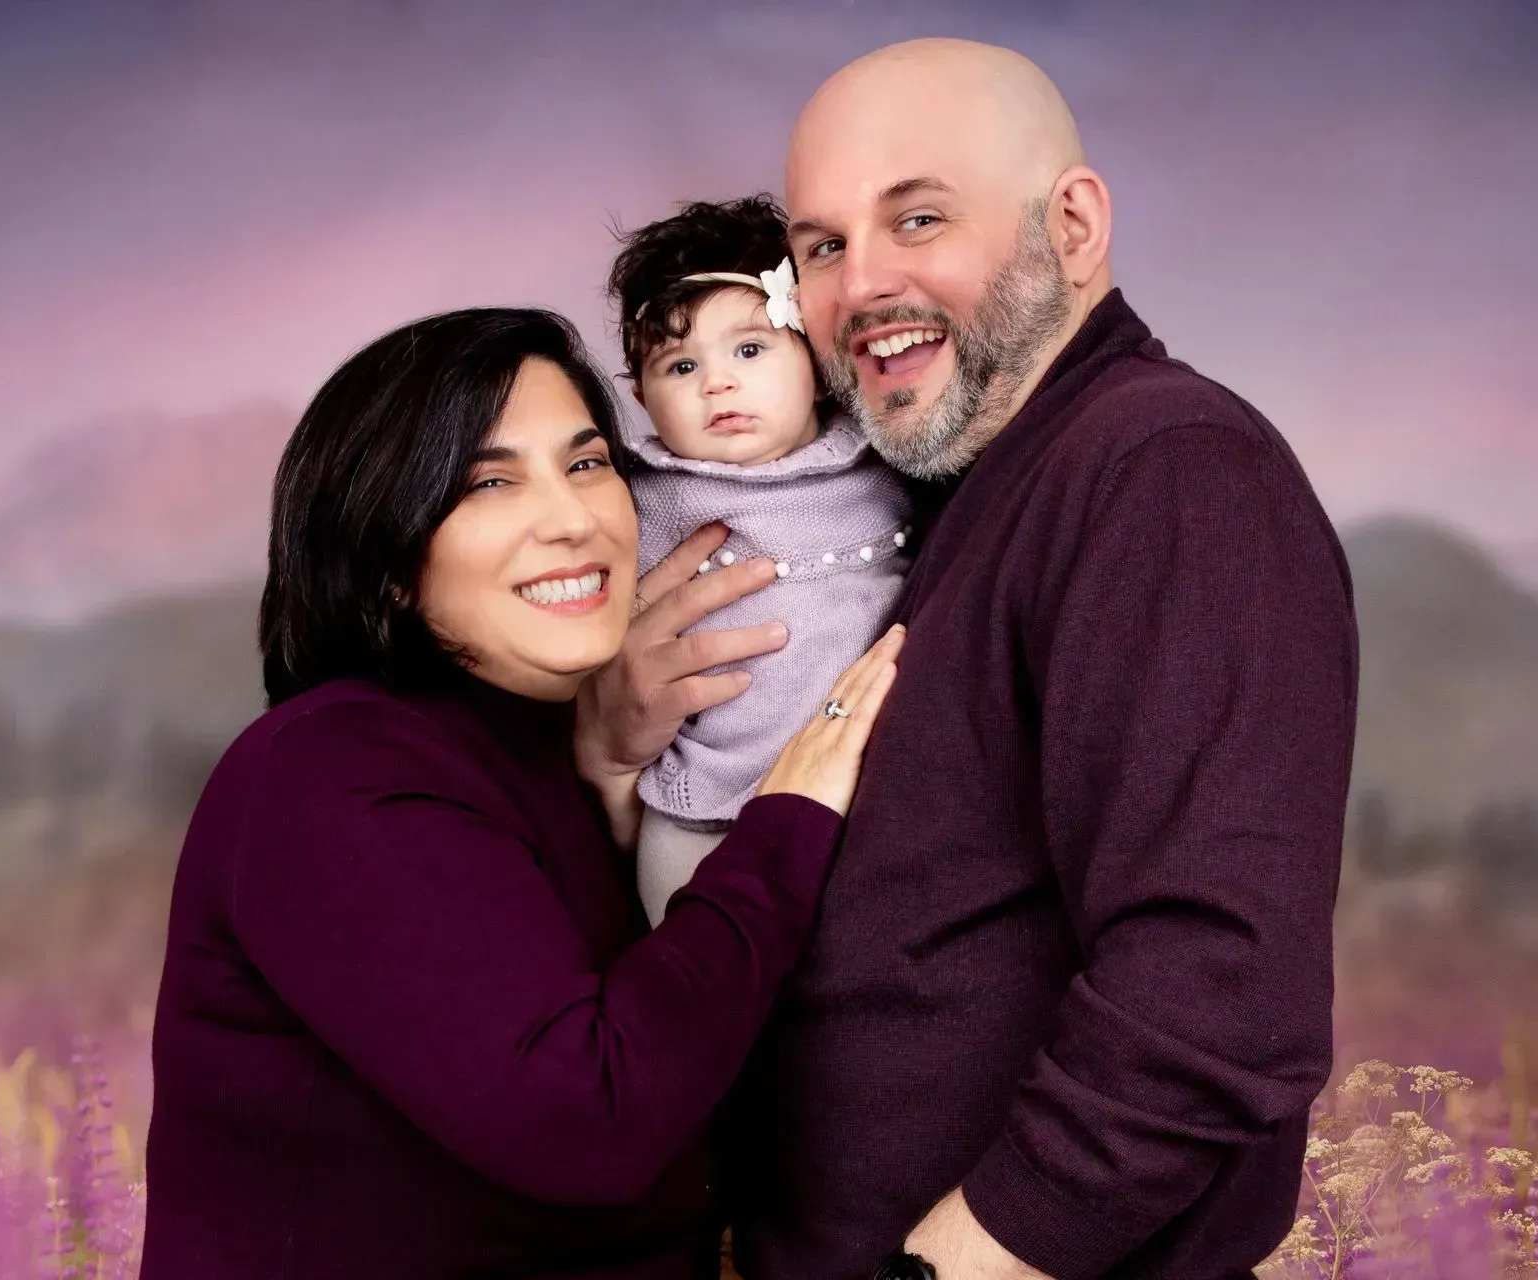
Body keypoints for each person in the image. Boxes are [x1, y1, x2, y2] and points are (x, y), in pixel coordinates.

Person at [574, 37, 1360, 1280]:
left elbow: (1214, 993)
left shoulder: (1170, 470)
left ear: (1076, 224)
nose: (863, 285)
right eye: (823, 247)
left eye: (920, 217)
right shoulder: (938, 485)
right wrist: (618, 742)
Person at [139, 306, 903, 1279]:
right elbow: (586, 1115)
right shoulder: (326, 770)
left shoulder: (565, 755)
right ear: (389, 565)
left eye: (588, 463)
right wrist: (785, 823)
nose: (571, 517)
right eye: (490, 482)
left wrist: (617, 780)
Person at [604, 193, 913, 925]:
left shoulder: (887, 463)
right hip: (699, 815)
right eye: (680, 366)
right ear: (642, 397)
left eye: (749, 349)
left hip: (858, 802)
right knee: (700, 981)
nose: (718, 383)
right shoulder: (647, 501)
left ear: (812, 354)